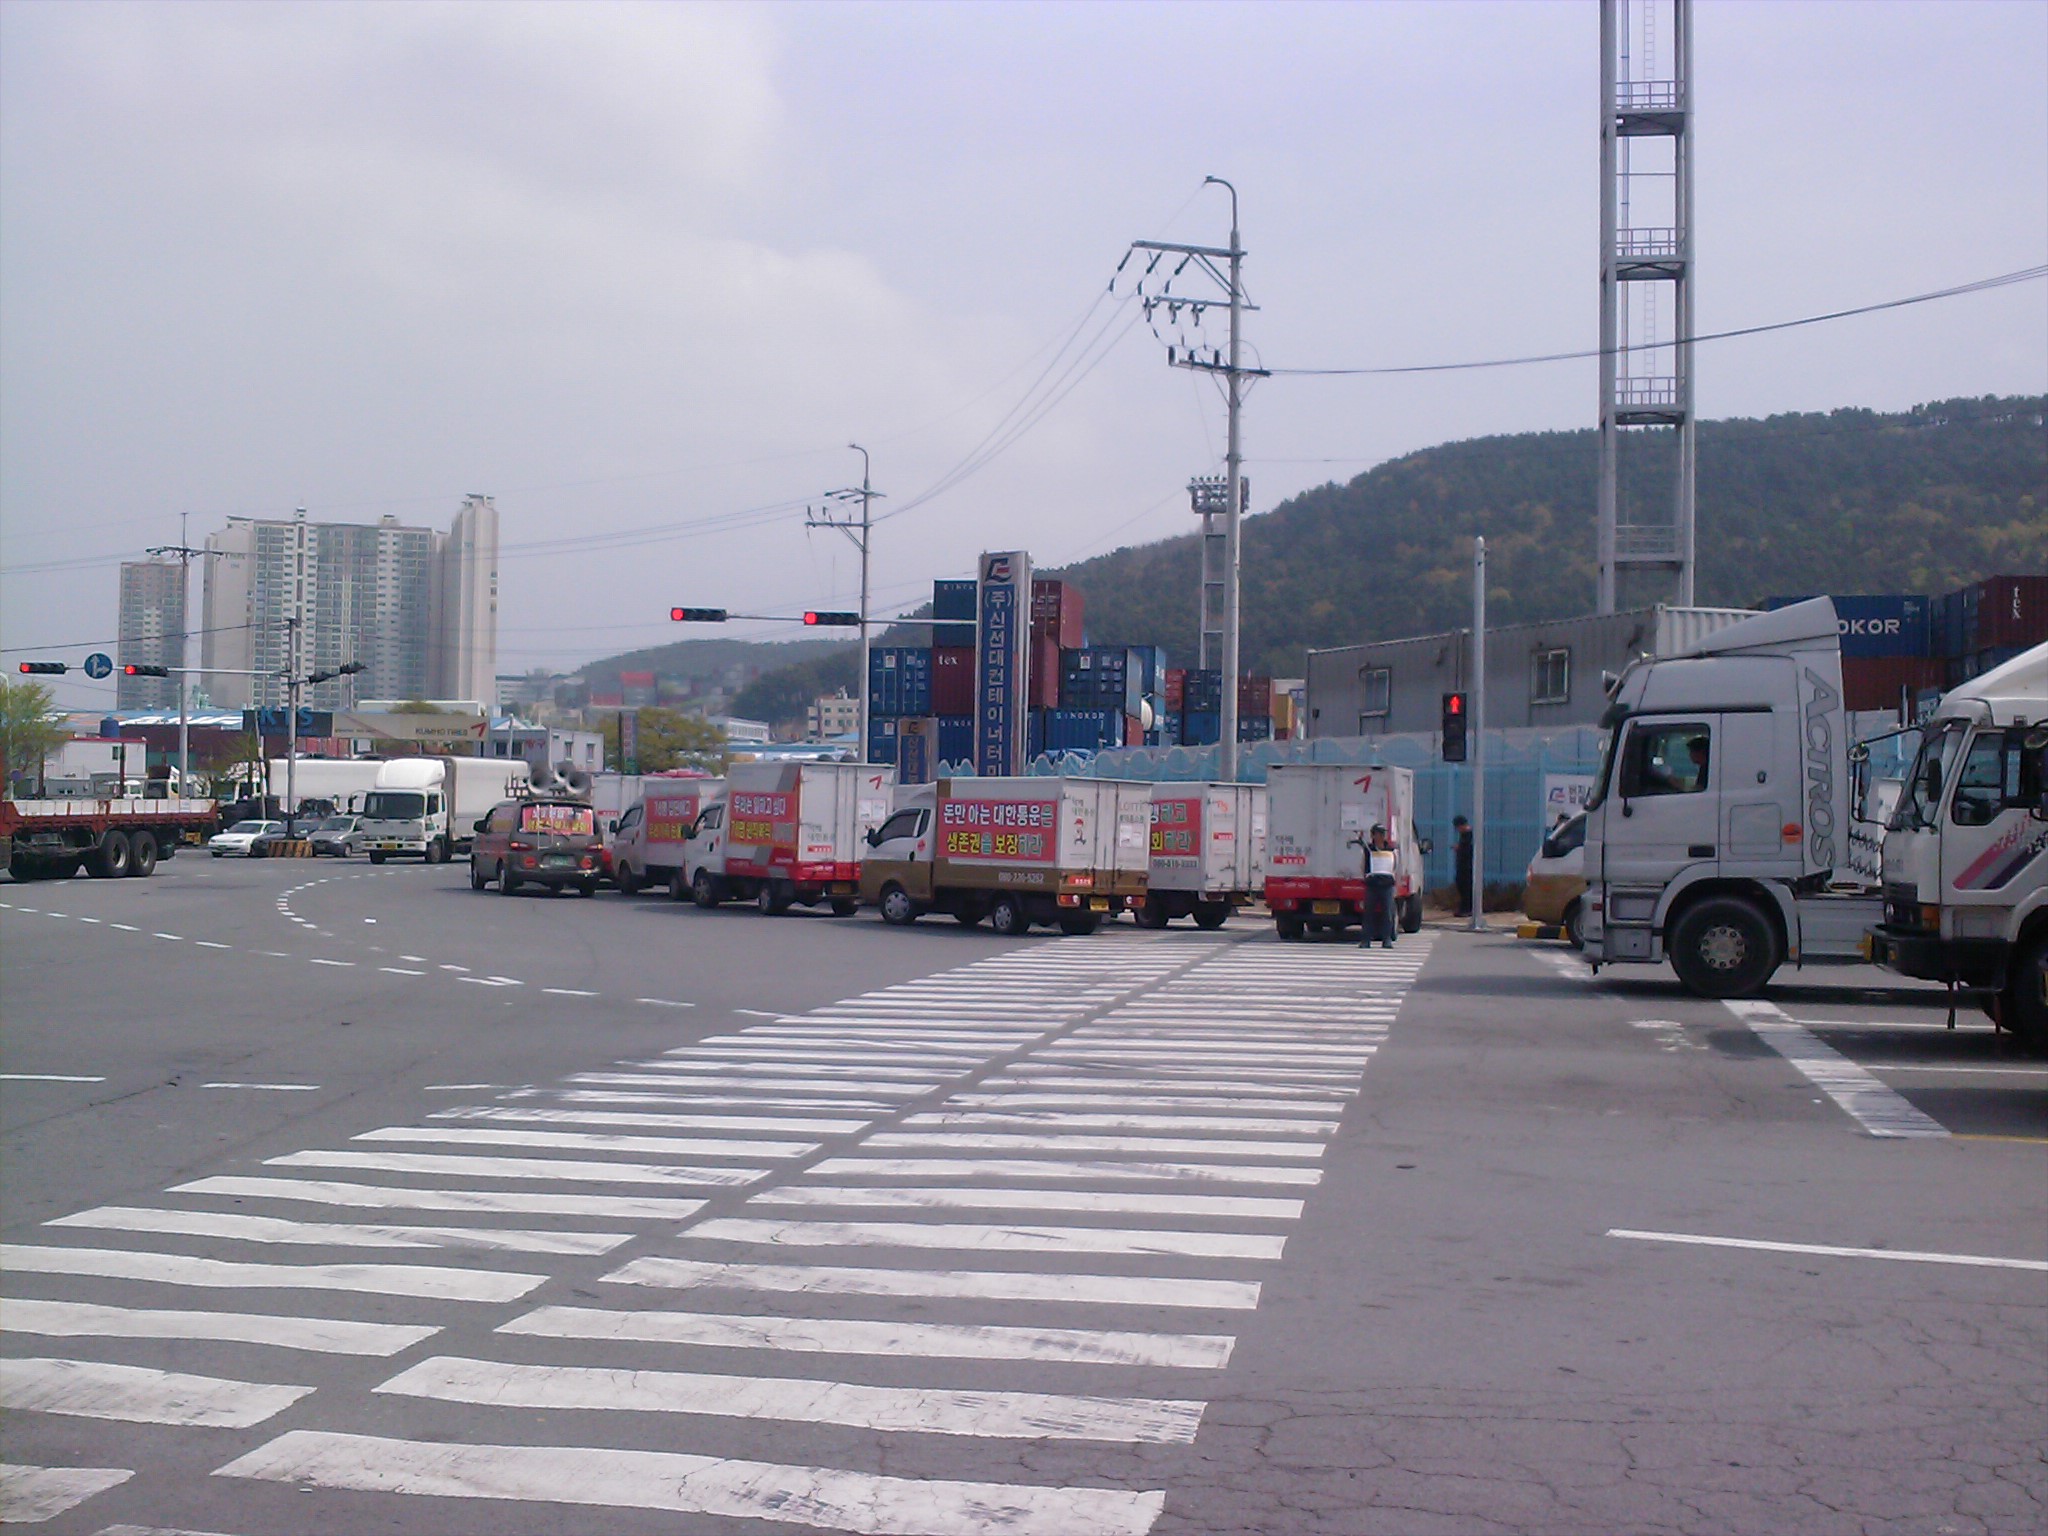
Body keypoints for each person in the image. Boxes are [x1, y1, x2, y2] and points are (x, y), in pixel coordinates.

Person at [1361, 824, 1398, 948]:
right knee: (1369, 913)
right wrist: (1365, 877)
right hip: (1372, 885)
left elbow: (1396, 865)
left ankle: (1386, 939)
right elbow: (1363, 865)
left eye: (1383, 833)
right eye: (1378, 833)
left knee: (1387, 913)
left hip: (1387, 885)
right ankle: (1366, 940)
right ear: (1373, 835)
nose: (1381, 836)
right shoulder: (1368, 849)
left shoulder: (1391, 849)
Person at [1453, 814, 1474, 917]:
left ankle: (1467, 909)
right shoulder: (1464, 835)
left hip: (1466, 865)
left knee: (1465, 887)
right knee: (1461, 885)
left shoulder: (1468, 835)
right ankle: (1464, 908)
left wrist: (1459, 848)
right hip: (1462, 864)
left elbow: (1467, 849)